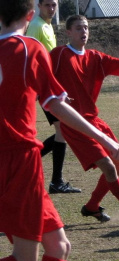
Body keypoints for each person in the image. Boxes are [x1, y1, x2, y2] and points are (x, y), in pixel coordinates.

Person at [0, 1, 119, 261]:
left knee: (59, 246)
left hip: (15, 163)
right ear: (30, 16)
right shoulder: (29, 49)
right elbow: (56, 104)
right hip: (19, 162)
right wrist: (105, 138)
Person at [50, 15, 119, 227]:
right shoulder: (59, 54)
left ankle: (92, 206)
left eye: (86, 28)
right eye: (78, 28)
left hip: (94, 121)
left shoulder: (95, 57)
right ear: (68, 32)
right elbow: (42, 77)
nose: (83, 32)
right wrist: (57, 95)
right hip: (73, 123)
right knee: (108, 166)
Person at [26, 0, 81, 194]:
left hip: (51, 86)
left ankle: (52, 179)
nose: (51, 8)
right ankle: (50, 178)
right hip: (44, 87)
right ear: (39, 6)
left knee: (62, 130)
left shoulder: (47, 25)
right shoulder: (35, 26)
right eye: (47, 5)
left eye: (54, 5)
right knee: (63, 129)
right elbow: (30, 57)